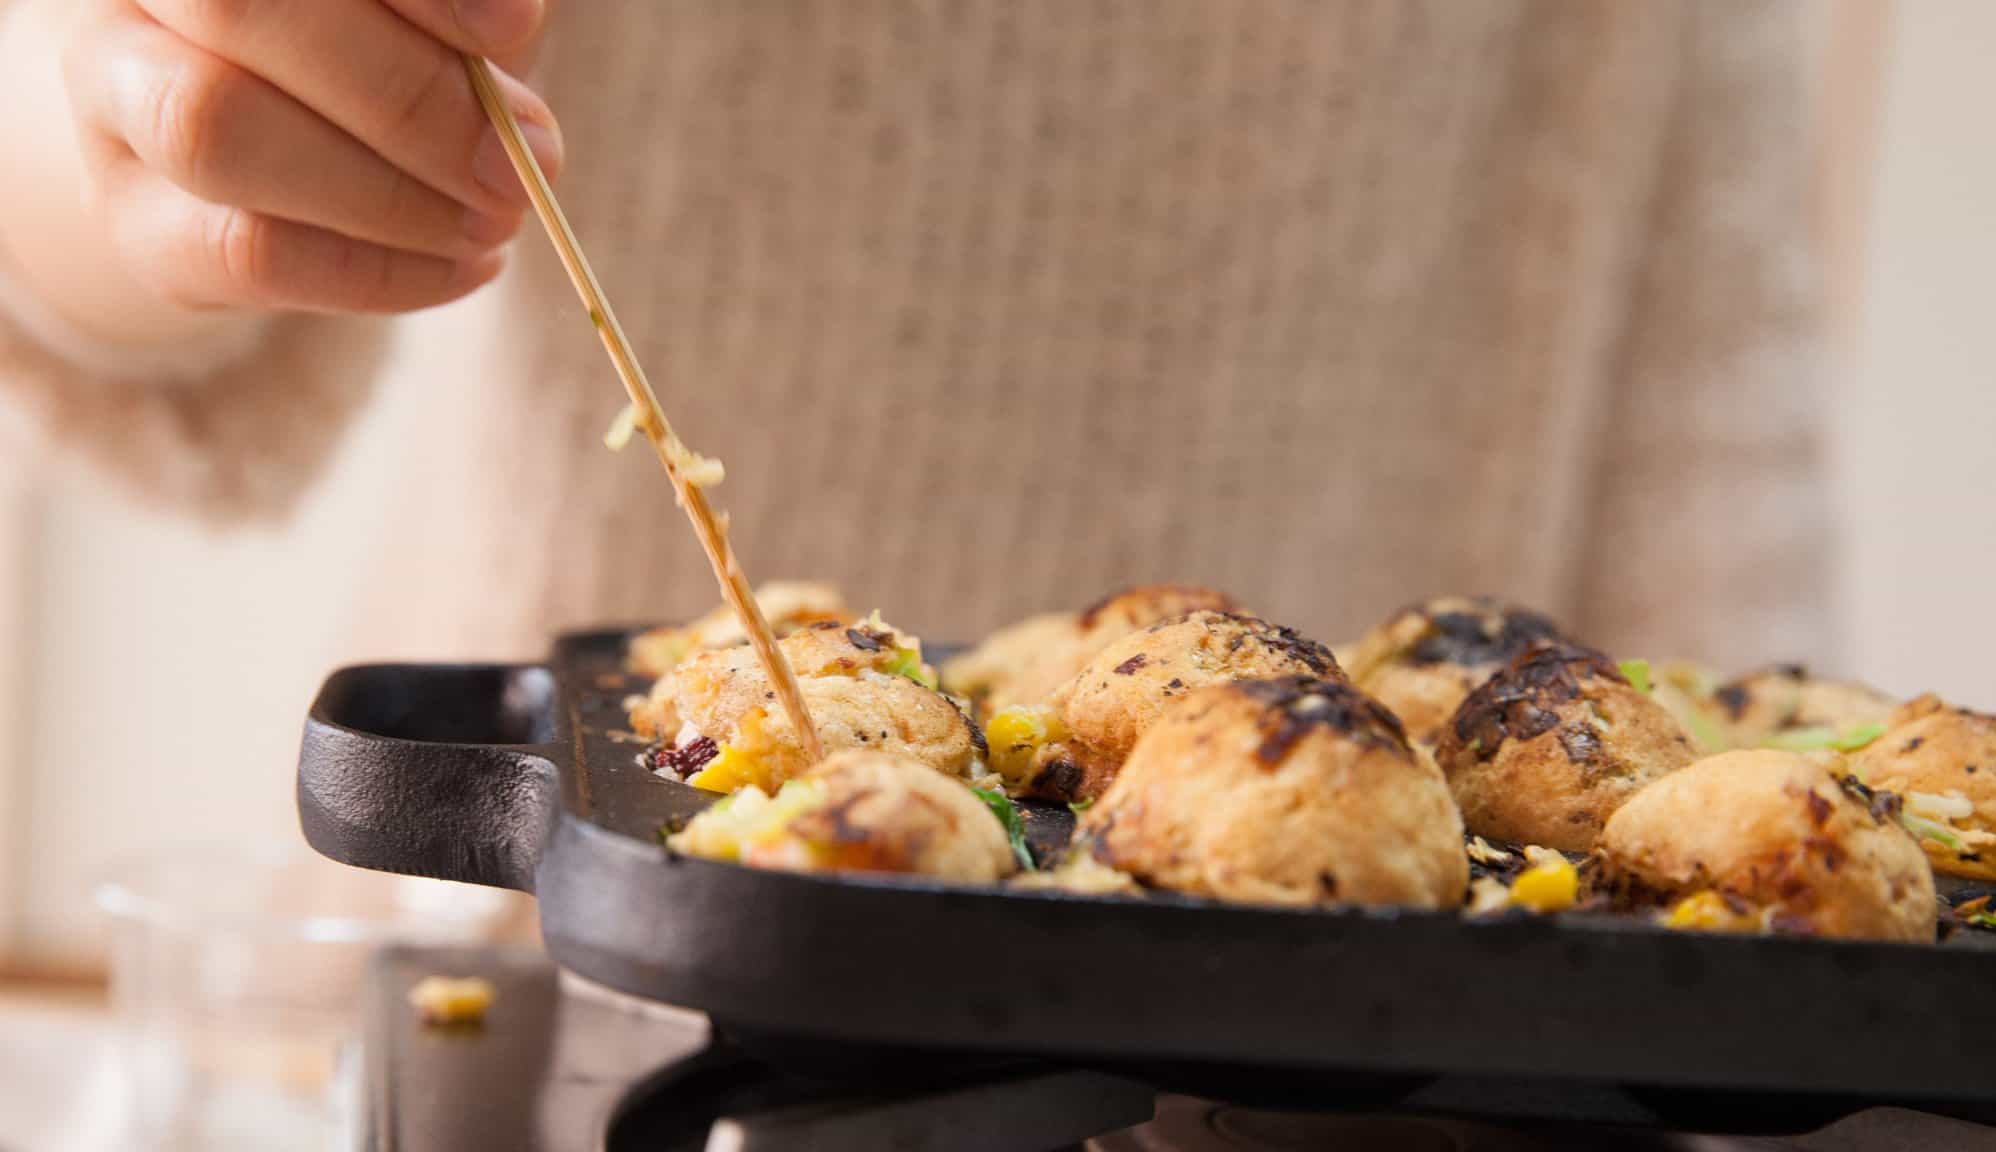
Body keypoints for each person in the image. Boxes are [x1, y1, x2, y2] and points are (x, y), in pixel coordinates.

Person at [0, 0, 1832, 666]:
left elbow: (1718, 522)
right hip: (549, 1007)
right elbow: (135, 309)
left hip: (1342, 1068)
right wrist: (143, 103)